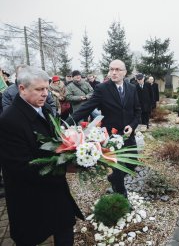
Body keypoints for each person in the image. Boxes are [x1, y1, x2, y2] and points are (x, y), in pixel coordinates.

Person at [0, 65, 83, 246]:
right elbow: (19, 167)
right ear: (22, 89)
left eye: (46, 88)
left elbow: (55, 141)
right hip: (29, 196)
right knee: (31, 236)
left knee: (65, 231)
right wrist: (64, 166)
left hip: (55, 189)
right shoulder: (9, 120)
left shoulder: (44, 109)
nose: (45, 94)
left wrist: (75, 150)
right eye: (39, 89)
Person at [66, 59, 141, 197]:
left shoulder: (132, 88)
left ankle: (112, 178)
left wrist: (132, 126)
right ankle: (121, 197)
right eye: (111, 69)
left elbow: (137, 111)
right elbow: (86, 108)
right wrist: (66, 123)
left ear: (124, 72)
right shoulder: (102, 89)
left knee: (132, 163)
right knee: (118, 167)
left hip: (128, 133)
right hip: (111, 135)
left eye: (117, 69)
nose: (114, 72)